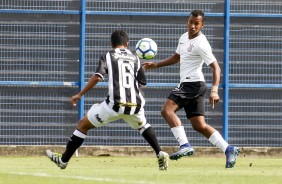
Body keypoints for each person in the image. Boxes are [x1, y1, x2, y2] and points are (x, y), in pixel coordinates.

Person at [46, 30, 169, 171]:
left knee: (83, 125)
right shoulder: (136, 58)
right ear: (127, 44)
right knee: (143, 126)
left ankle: (63, 160)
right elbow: (142, 83)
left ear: (112, 44)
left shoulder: (108, 56)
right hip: (136, 104)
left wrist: (80, 94)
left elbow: (98, 77)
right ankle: (160, 153)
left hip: (115, 105)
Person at [142, 10, 239, 168]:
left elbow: (216, 67)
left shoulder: (201, 44)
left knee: (166, 110)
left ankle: (184, 145)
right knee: (199, 125)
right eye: (190, 22)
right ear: (187, 21)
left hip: (192, 84)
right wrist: (156, 64)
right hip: (194, 85)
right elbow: (177, 57)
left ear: (202, 25)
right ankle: (228, 149)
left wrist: (214, 89)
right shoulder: (183, 37)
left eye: (196, 23)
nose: (192, 26)